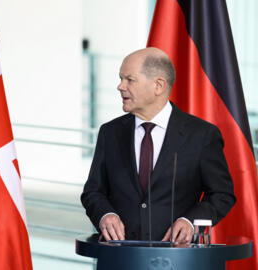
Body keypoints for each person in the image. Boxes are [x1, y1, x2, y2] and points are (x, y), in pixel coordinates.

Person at [81, 47, 235, 244]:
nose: (120, 86)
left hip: (178, 259)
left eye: (129, 79)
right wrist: (105, 214)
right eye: (121, 79)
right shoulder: (109, 133)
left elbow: (222, 194)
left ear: (158, 85)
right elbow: (93, 192)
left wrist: (190, 221)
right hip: (119, 257)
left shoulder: (202, 135)